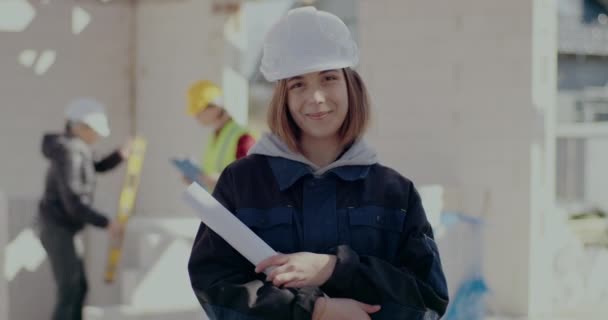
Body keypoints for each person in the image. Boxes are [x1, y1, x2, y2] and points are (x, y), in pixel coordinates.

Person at [188, 6, 448, 320]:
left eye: (328, 78)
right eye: (298, 83)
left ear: (351, 85)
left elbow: (428, 300)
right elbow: (215, 287)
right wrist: (315, 310)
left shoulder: (394, 192)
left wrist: (333, 269)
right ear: (282, 95)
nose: (317, 97)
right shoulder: (242, 183)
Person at [38, 98, 130, 320]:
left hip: (64, 228)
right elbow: (74, 201)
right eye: (95, 130)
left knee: (78, 287)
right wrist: (106, 222)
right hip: (58, 228)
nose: (97, 136)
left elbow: (95, 165)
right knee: (70, 289)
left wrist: (119, 155)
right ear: (80, 127)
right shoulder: (70, 151)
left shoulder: (76, 149)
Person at [185, 80, 256, 189]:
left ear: (215, 107)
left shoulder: (243, 138)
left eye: (198, 110)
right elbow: (211, 181)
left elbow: (250, 179)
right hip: (215, 204)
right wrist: (197, 180)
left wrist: (222, 180)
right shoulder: (214, 136)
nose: (196, 115)